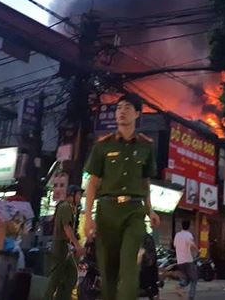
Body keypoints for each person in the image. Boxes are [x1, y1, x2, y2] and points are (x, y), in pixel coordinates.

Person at [83, 93, 160, 300]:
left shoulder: (146, 146)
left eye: (127, 107)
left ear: (137, 113)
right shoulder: (103, 145)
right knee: (108, 272)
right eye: (118, 108)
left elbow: (145, 182)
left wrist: (150, 209)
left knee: (129, 267)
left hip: (134, 212)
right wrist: (88, 217)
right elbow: (93, 183)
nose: (121, 111)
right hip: (107, 212)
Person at [44, 171, 84, 300]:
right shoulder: (65, 207)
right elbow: (67, 228)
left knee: (70, 276)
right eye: (79, 195)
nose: (80, 198)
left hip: (66, 248)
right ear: (72, 195)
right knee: (55, 278)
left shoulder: (70, 208)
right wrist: (77, 245)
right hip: (60, 247)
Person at [174, 220, 198, 298]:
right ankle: (191, 296)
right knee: (194, 279)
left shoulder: (177, 235)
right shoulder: (188, 235)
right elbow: (192, 244)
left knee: (186, 279)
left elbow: (175, 245)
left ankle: (179, 286)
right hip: (188, 260)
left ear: (182, 226)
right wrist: (198, 250)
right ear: (189, 226)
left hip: (180, 261)